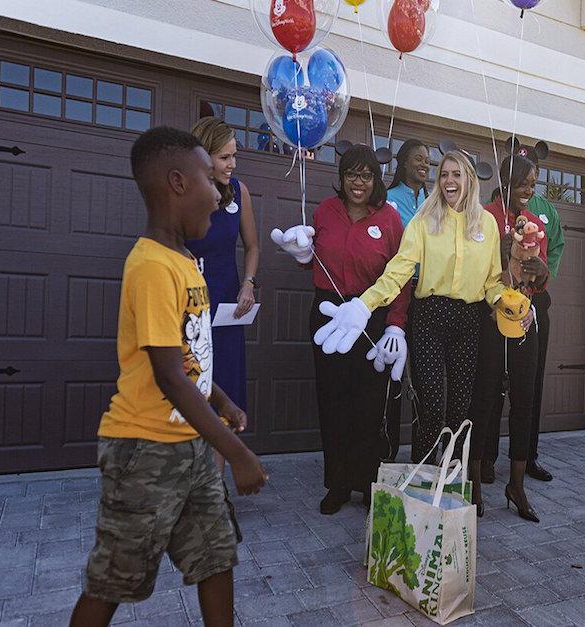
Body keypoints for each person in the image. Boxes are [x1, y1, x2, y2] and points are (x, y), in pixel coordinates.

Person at [69, 127, 267, 627]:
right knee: (115, 578)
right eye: (209, 176)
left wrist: (221, 399)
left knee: (216, 555)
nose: (220, 191)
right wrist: (236, 451)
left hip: (191, 445)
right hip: (144, 450)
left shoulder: (185, 262)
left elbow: (190, 357)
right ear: (177, 184)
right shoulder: (153, 266)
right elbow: (169, 375)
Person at [311, 151, 510, 468]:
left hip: (469, 320)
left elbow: (492, 283)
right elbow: (397, 272)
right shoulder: (424, 219)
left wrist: (508, 303)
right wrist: (365, 304)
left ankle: (454, 483)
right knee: (430, 404)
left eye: (456, 174)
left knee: (460, 406)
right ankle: (424, 479)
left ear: (470, 179)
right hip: (430, 315)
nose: (449, 181)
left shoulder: (486, 223)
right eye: (444, 174)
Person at [272, 145, 409, 515]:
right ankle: (338, 484)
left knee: (369, 402)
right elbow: (313, 259)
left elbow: (402, 278)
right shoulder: (324, 212)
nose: (358, 183)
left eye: (366, 175)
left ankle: (368, 483)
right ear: (342, 177)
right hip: (329, 314)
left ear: (376, 179)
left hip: (371, 316)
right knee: (333, 400)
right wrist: (300, 254)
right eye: (351, 174)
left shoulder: (390, 220)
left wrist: (396, 325)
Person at [470, 154, 549, 522]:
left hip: (524, 321)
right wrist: (499, 254)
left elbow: (540, 279)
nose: (529, 191)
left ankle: (516, 486)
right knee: (483, 399)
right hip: (489, 319)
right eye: (523, 183)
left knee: (524, 401)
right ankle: (472, 482)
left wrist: (540, 270)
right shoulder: (485, 215)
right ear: (506, 180)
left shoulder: (534, 223)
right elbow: (473, 269)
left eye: (533, 185)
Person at [186, 117, 260, 425]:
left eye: (234, 157)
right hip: (189, 307)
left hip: (226, 310)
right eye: (224, 157)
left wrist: (248, 284)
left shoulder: (240, 192)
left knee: (225, 398)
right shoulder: (183, 192)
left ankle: (217, 476)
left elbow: (253, 246)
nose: (231, 164)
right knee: (191, 393)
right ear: (204, 157)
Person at [382, 139, 430, 460]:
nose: (425, 164)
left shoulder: (435, 201)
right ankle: (387, 448)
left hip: (427, 295)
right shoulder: (388, 199)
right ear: (402, 163)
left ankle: (421, 451)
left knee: (424, 372)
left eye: (428, 160)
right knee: (393, 371)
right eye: (418, 158)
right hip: (397, 293)